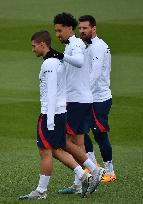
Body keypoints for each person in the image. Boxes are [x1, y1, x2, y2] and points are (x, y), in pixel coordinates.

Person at [18, 30, 96, 200]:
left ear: (42, 44)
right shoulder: (56, 62)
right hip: (59, 112)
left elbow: (52, 91)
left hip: (51, 113)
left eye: (34, 46)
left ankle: (41, 191)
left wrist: (50, 120)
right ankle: (86, 175)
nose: (32, 50)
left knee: (45, 151)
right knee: (57, 147)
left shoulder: (49, 64)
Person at [53, 12, 105, 194]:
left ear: (69, 28)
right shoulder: (72, 45)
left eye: (60, 30)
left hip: (76, 101)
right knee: (79, 142)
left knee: (63, 141)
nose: (58, 34)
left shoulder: (76, 44)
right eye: (56, 31)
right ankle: (79, 183)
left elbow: (79, 62)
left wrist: (59, 56)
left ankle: (94, 170)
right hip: (83, 99)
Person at [78, 15, 116, 182]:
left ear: (93, 28)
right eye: (80, 28)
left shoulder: (98, 47)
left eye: (85, 28)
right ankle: (93, 165)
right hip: (89, 97)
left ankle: (110, 171)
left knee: (100, 135)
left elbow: (95, 73)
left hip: (98, 99)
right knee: (80, 130)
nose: (82, 31)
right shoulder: (89, 47)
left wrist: (84, 93)